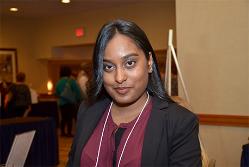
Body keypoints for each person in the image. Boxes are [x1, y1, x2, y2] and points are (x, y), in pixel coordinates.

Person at [67, 19, 201, 166]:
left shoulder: (179, 122)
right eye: (108, 67)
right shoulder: (88, 110)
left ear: (149, 62)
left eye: (130, 63)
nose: (119, 78)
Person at [56, 66, 82, 137]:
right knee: (70, 118)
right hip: (71, 103)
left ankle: (62, 132)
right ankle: (69, 133)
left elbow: (57, 93)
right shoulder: (71, 81)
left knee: (63, 118)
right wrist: (80, 99)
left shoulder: (59, 82)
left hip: (62, 103)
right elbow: (77, 92)